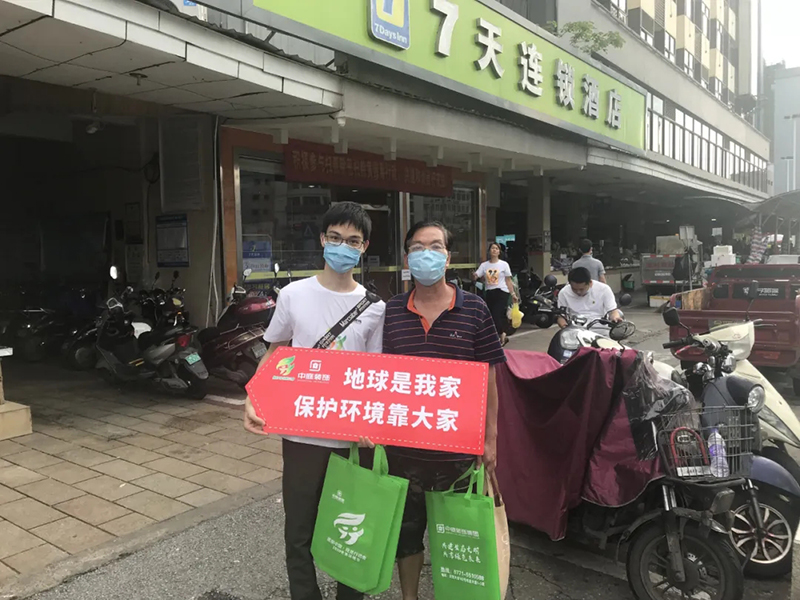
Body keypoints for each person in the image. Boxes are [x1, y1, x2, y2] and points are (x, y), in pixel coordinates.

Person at [243, 202, 385, 600]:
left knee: (352, 530)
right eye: (335, 237)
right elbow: (276, 352)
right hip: (302, 433)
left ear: (364, 247)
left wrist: (373, 427)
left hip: (353, 438)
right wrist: (253, 396)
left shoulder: (376, 307)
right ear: (322, 239)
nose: (343, 246)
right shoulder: (293, 295)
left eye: (353, 241)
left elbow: (376, 374)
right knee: (299, 530)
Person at [382, 221, 506, 600]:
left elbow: (488, 377)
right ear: (407, 259)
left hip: (458, 451)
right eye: (418, 248)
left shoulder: (475, 309)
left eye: (435, 247)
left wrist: (490, 439)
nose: (427, 254)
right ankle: (410, 597)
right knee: (407, 534)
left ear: (448, 257)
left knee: (457, 535)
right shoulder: (391, 311)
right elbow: (378, 376)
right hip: (404, 450)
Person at [472, 242, 518, 346]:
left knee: (497, 314)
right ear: (489, 251)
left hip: (502, 292)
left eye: (496, 249)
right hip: (490, 292)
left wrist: (513, 294)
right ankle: (500, 336)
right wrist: (474, 275)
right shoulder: (484, 265)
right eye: (492, 248)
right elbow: (477, 275)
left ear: (499, 252)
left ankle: (501, 334)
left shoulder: (504, 265)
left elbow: (508, 280)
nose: (494, 250)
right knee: (491, 316)